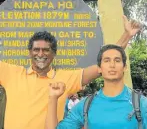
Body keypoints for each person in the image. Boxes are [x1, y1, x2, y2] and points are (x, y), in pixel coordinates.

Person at [0, 16, 141, 129]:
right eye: (36, 50)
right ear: (30, 53)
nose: (40, 54)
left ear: (53, 53)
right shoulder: (11, 73)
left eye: (46, 50)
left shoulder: (65, 78)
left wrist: (127, 36)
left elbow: (104, 63)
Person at [46, 44, 147, 129]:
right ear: (99, 68)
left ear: (125, 67)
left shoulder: (141, 104)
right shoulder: (86, 105)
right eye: (107, 60)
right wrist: (53, 98)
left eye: (117, 60)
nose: (112, 65)